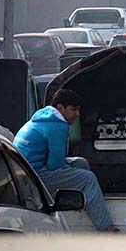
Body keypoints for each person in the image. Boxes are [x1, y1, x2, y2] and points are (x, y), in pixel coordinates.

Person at [13, 89, 117, 232]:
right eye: (74, 109)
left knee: (80, 162)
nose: (78, 114)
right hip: (34, 177)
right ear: (61, 108)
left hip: (25, 171)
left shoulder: (42, 118)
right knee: (88, 178)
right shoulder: (58, 125)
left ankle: (81, 201)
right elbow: (55, 164)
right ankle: (107, 228)